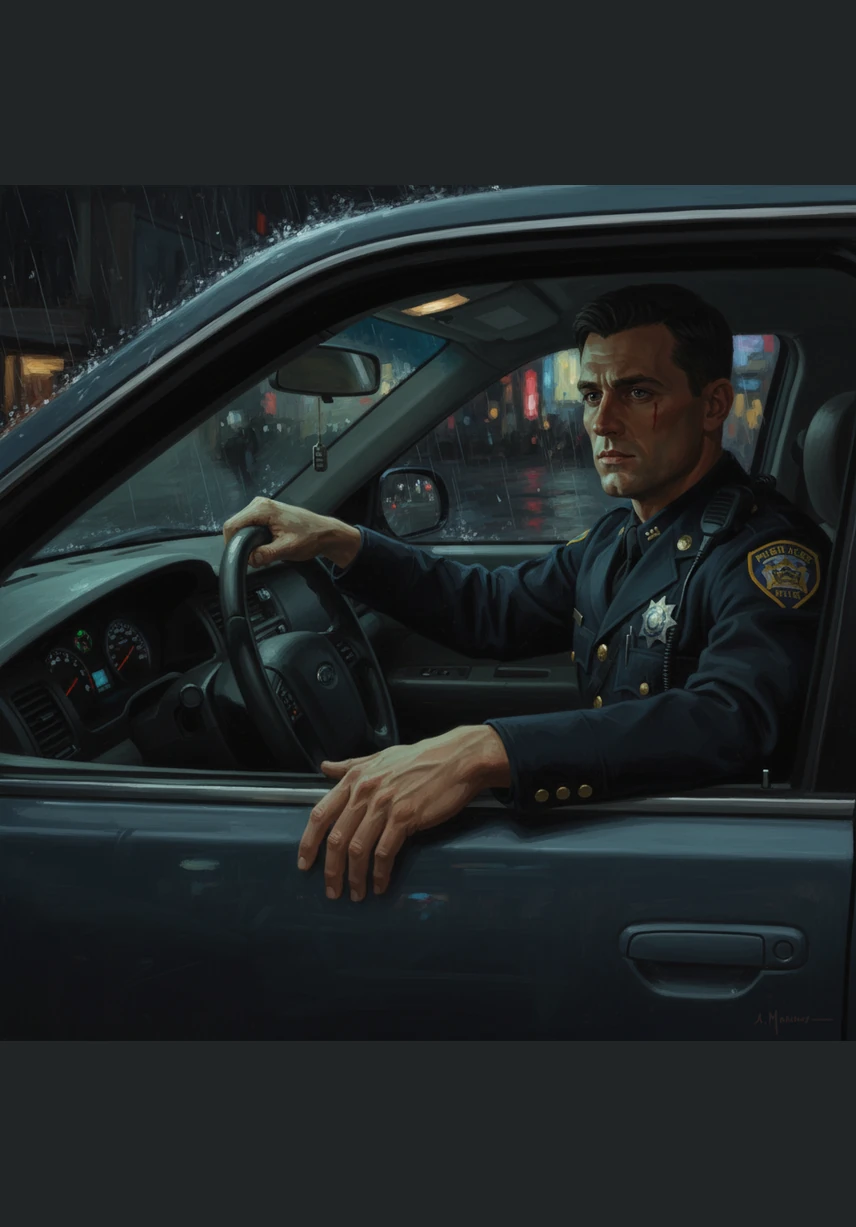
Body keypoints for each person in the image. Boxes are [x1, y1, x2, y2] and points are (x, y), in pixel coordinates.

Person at [223, 284, 827, 904]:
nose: (601, 421)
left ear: (712, 404)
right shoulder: (623, 534)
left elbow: (730, 719)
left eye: (637, 392)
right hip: (624, 843)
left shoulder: (765, 553)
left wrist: (488, 750)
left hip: (704, 876)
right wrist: (345, 542)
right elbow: (494, 609)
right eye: (592, 394)